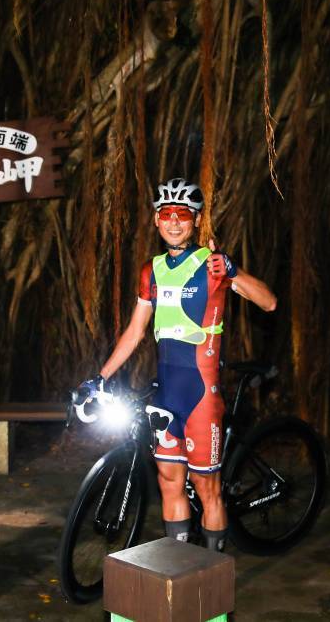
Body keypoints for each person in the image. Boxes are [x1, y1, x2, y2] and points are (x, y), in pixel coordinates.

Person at [75, 177, 277, 552]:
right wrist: (99, 378)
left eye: (182, 214)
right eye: (166, 213)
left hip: (202, 397)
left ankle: (212, 573)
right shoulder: (150, 271)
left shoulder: (212, 265)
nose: (173, 222)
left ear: (196, 220)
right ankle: (179, 565)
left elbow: (269, 302)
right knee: (170, 482)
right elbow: (135, 331)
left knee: (207, 487)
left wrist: (233, 271)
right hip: (167, 397)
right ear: (156, 219)